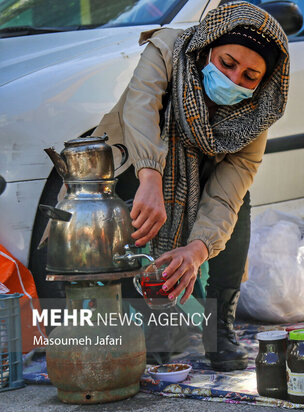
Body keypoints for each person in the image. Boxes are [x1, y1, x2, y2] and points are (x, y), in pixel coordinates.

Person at [93, 1, 289, 371]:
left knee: (237, 210)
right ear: (209, 47)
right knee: (129, 208)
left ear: (263, 82)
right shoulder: (169, 49)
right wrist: (149, 176)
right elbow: (140, 108)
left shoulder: (258, 112)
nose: (234, 80)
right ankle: (151, 323)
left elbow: (227, 192)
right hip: (138, 156)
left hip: (202, 176)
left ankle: (220, 326)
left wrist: (198, 250)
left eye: (250, 76)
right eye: (227, 63)